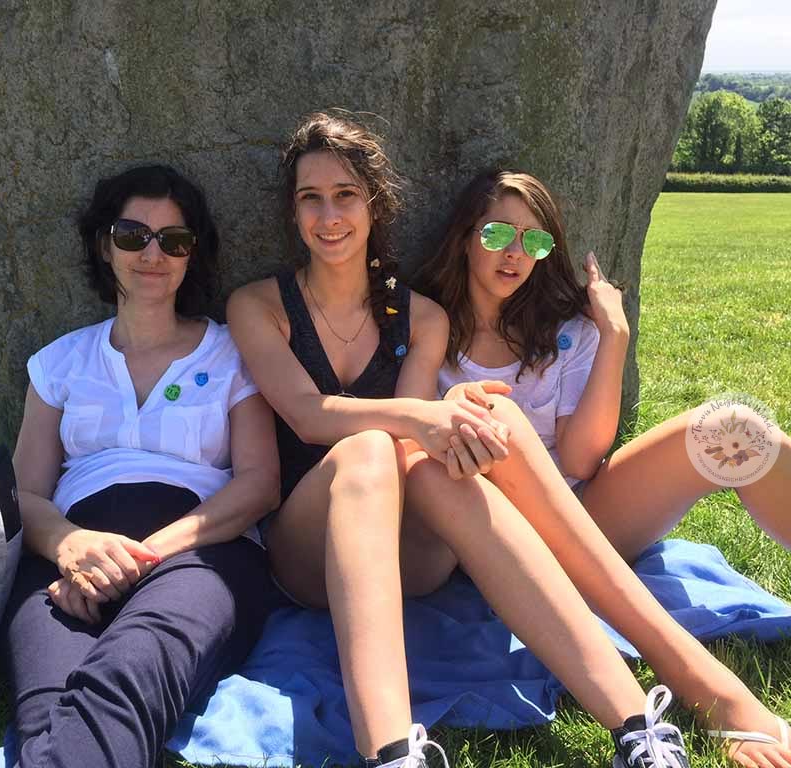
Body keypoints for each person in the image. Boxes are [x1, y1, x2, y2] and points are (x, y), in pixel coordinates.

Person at [228, 111, 697, 768]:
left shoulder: (419, 315)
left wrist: (450, 417)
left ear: (374, 205)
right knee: (369, 449)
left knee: (437, 456)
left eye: (345, 196)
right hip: (308, 550)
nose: (328, 216)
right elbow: (308, 416)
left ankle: (637, 729)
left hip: (414, 555)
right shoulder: (260, 305)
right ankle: (393, 751)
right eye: (311, 198)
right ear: (292, 211)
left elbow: (422, 441)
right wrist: (424, 417)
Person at [413, 167, 791, 768]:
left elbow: (583, 458)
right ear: (463, 236)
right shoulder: (426, 329)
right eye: (497, 234)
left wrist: (613, 334)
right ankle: (701, 689)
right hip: (478, 537)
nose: (515, 254)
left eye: (534, 242)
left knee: (734, 428)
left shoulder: (565, 334)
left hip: (582, 523)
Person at [0, 165, 280, 768]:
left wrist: (144, 555)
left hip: (205, 549)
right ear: (105, 245)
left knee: (133, 667)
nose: (153, 254)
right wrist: (73, 548)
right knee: (43, 707)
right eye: (133, 235)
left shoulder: (234, 353)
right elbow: (24, 493)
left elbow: (260, 484)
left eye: (174, 240)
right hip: (71, 557)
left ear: (191, 254)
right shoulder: (59, 363)